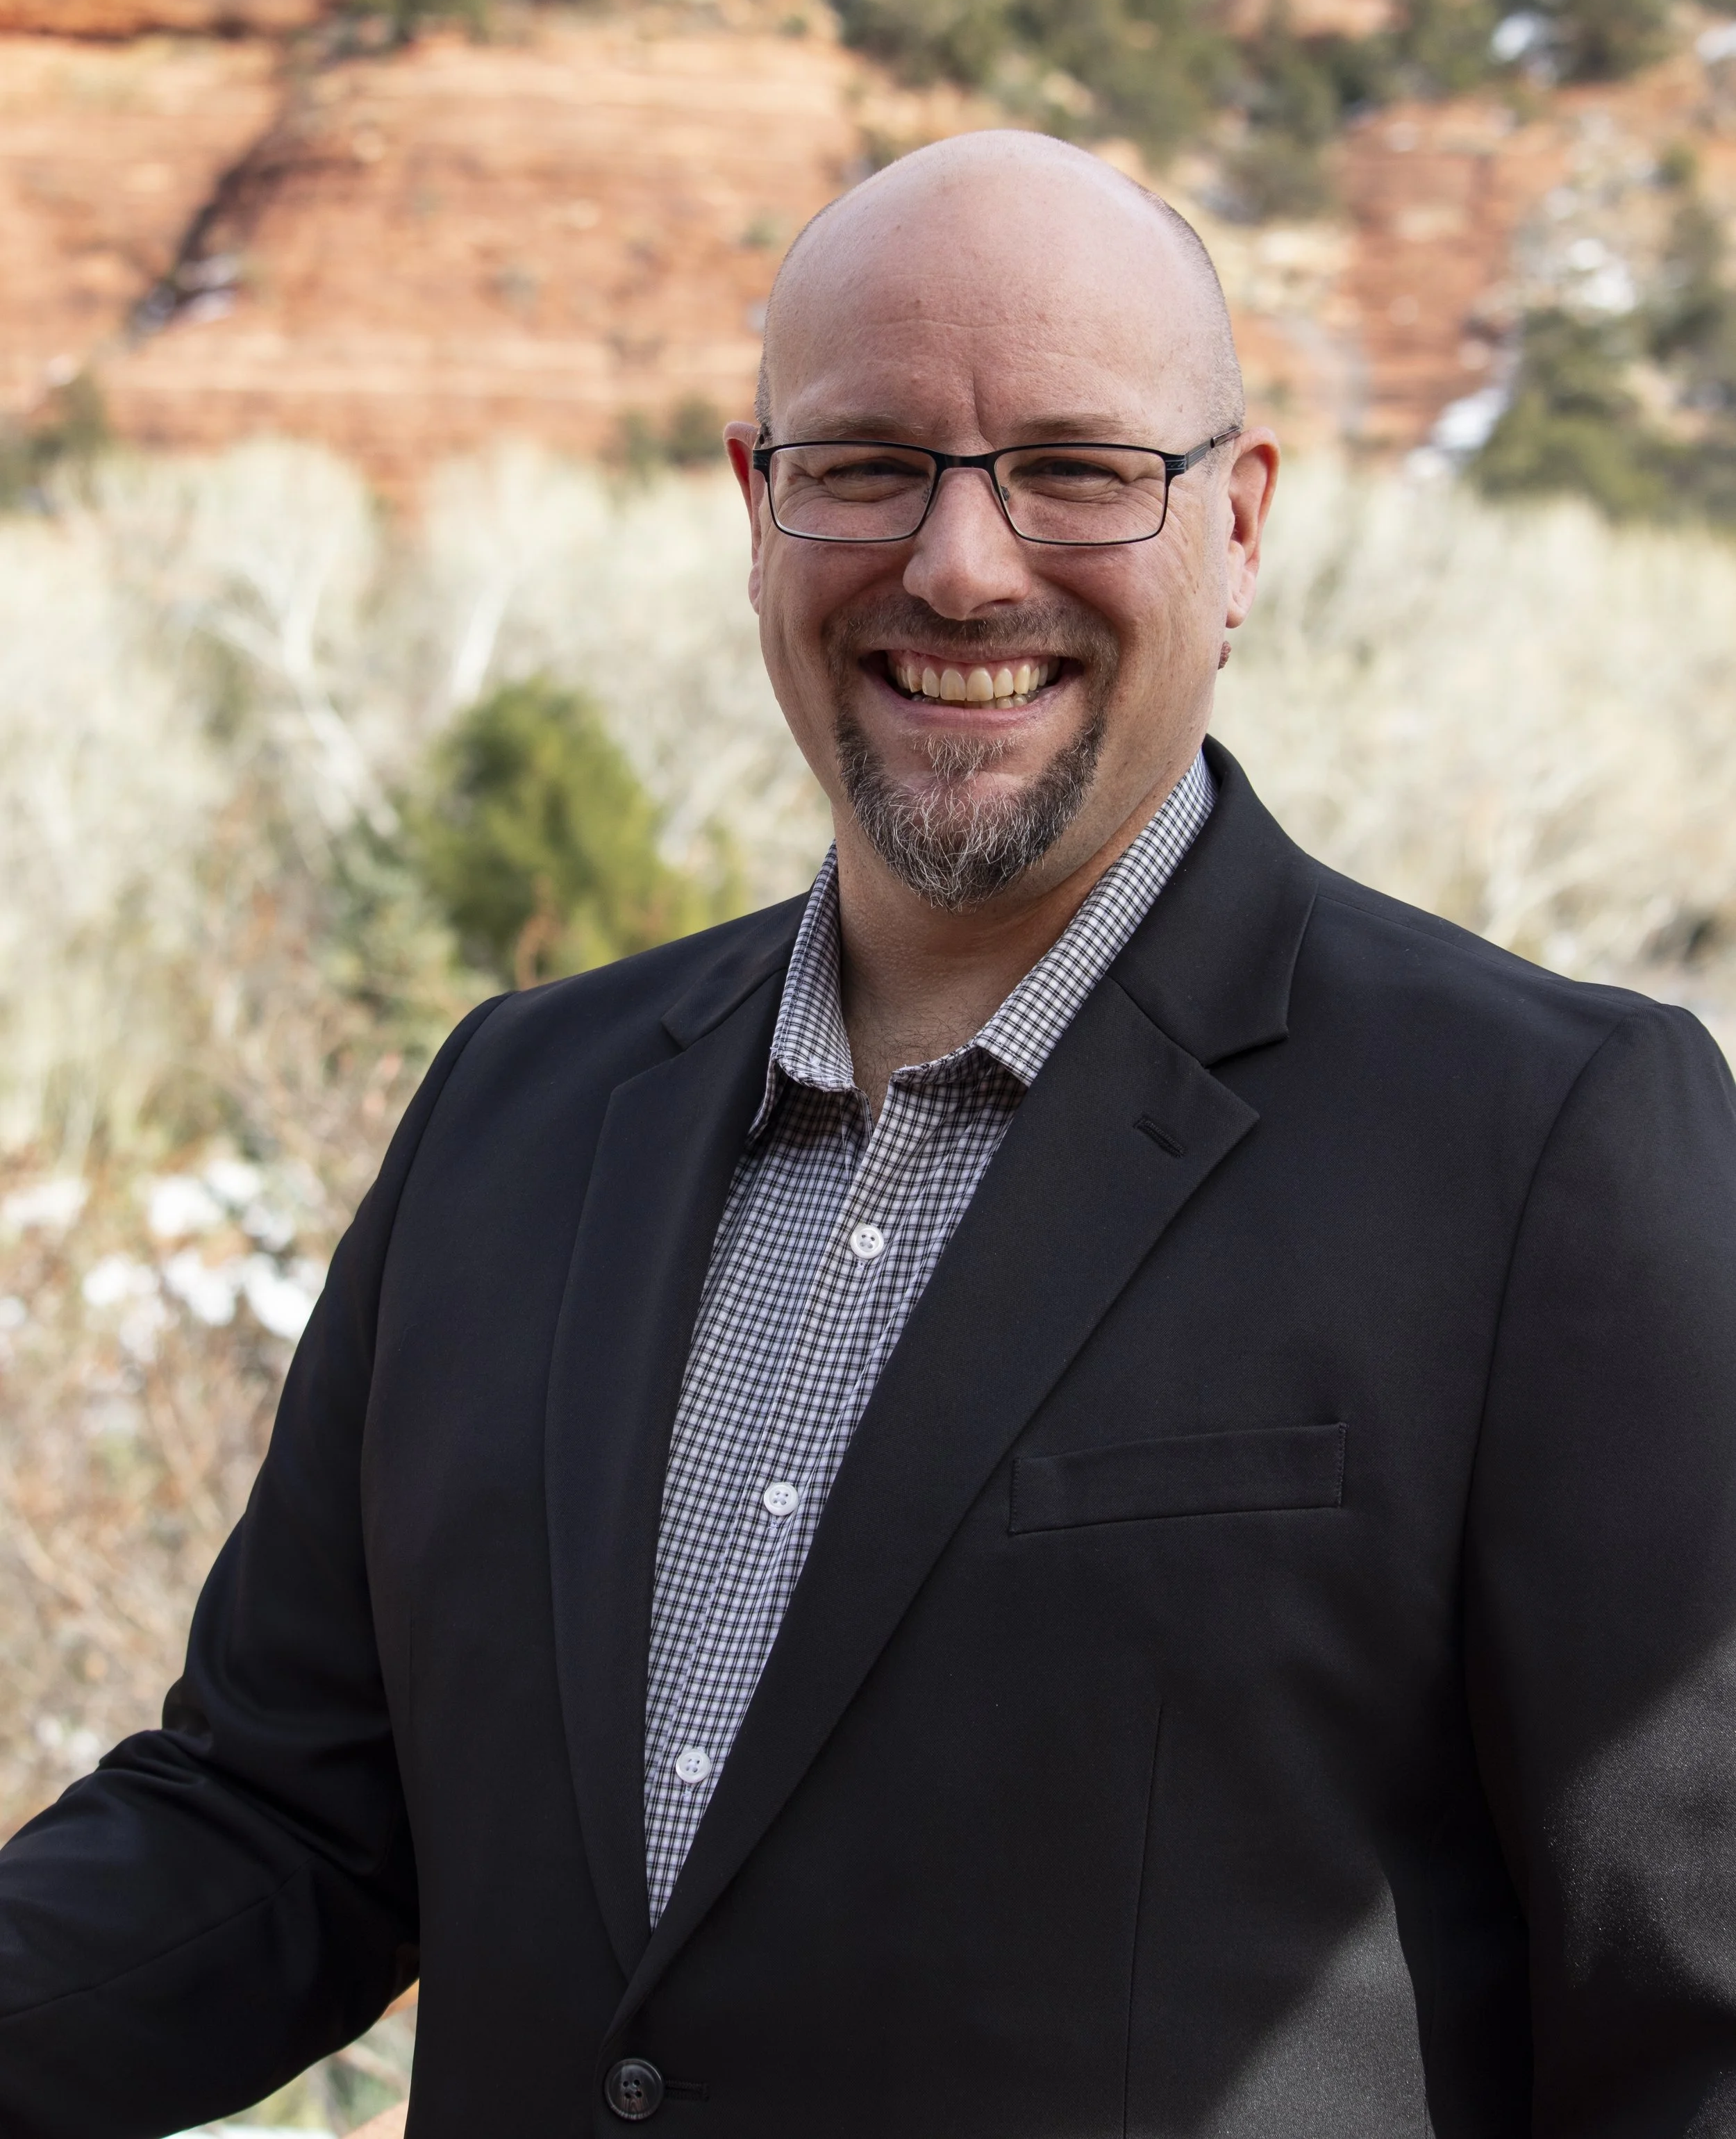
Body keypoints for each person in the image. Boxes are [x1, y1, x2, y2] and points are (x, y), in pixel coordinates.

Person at [3, 131, 1736, 2139]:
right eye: (867, 461)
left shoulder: (1542, 1143)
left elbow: (1688, 2015)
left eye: (1078, 468)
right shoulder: (515, 1108)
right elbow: (276, 1820)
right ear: (757, 502)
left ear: (1240, 525)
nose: (962, 562)